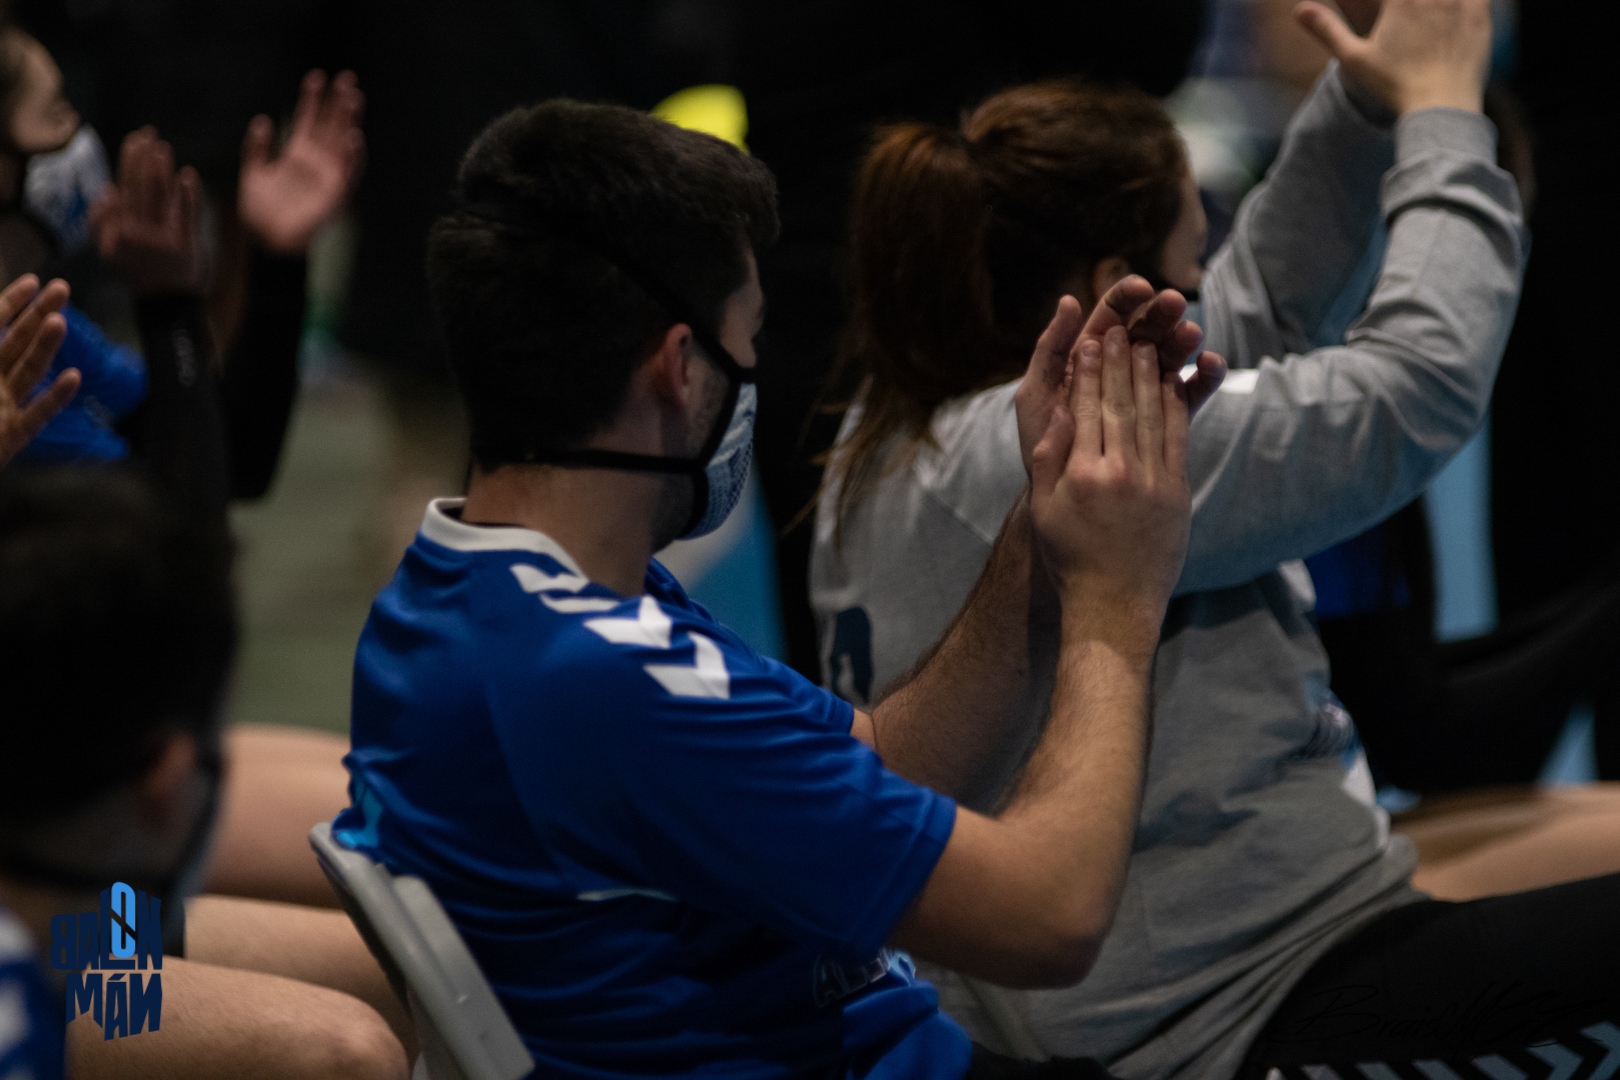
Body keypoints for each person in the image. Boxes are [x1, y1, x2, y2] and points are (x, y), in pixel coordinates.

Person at [334, 97, 1226, 1078]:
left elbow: (881, 764)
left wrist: (1039, 529)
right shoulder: (603, 681)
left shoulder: (473, 594)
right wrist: (1115, 598)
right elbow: (1051, 917)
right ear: (680, 368)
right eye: (748, 339)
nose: (757, 372)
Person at [813, 0, 1620, 1075]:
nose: (1209, 300)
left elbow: (1263, 303)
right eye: (1189, 270)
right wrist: (1442, 115)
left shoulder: (903, 431)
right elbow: (1415, 388)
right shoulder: (1075, 446)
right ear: (1111, 292)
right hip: (1246, 1007)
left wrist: (1363, 99)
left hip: (1258, 935)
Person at [0, 466, 408, 1080]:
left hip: (75, 794)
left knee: (418, 968)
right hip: (91, 814)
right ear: (168, 780)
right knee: (348, 1051)